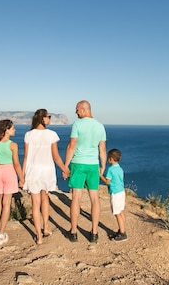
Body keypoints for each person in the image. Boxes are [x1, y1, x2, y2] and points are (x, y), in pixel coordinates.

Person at [23, 109, 70, 245]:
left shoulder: (28, 135)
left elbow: (26, 157)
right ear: (43, 118)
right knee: (45, 199)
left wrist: (22, 176)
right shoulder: (52, 135)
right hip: (46, 171)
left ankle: (38, 236)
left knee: (35, 203)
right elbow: (56, 156)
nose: (50, 118)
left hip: (32, 171)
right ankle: (46, 228)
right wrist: (65, 169)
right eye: (48, 116)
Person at [64, 100, 106, 243]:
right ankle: (94, 233)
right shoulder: (100, 126)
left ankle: (74, 232)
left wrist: (65, 166)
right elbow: (103, 150)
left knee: (76, 198)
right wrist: (103, 166)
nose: (75, 112)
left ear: (84, 109)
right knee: (95, 199)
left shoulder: (77, 124)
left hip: (78, 164)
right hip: (93, 165)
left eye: (77, 110)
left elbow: (71, 145)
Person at [0, 119, 24, 245]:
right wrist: (22, 178)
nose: (14, 130)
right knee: (7, 203)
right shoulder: (13, 145)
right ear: (6, 130)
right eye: (12, 128)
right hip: (9, 172)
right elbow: (16, 163)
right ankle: (1, 235)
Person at [100, 148, 127, 241]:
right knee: (121, 211)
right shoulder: (120, 168)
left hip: (115, 193)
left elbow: (107, 182)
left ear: (111, 158)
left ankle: (122, 233)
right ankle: (122, 229)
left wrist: (100, 176)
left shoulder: (110, 169)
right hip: (121, 192)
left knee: (117, 213)